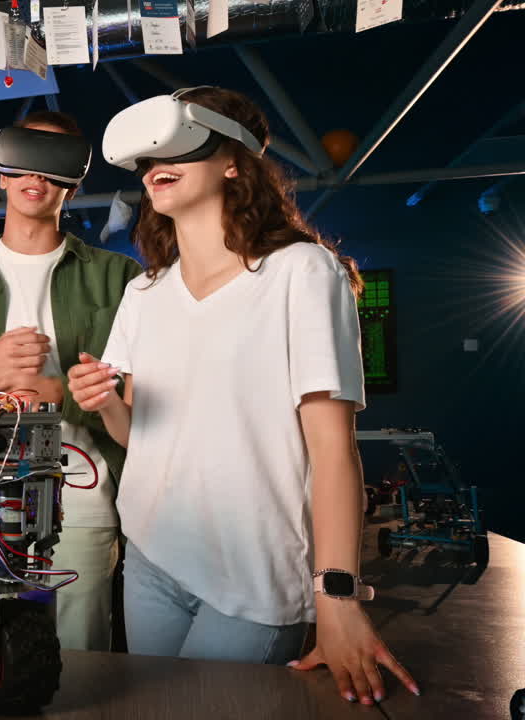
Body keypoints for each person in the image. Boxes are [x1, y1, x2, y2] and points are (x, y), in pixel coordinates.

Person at [68, 86, 419, 704]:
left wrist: (335, 596)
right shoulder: (145, 294)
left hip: (253, 570)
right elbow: (140, 438)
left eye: (175, 149)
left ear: (233, 161)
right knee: (152, 710)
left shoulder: (303, 273)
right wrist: (107, 404)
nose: (153, 168)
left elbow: (334, 454)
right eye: (145, 161)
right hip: (152, 556)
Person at [0, 111, 143, 650]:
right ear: (1, 172)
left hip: (83, 500)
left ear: (73, 182)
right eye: (24, 159)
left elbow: (148, 402)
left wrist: (61, 397)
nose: (37, 176)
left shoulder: (119, 278)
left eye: (55, 166)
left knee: (78, 658)